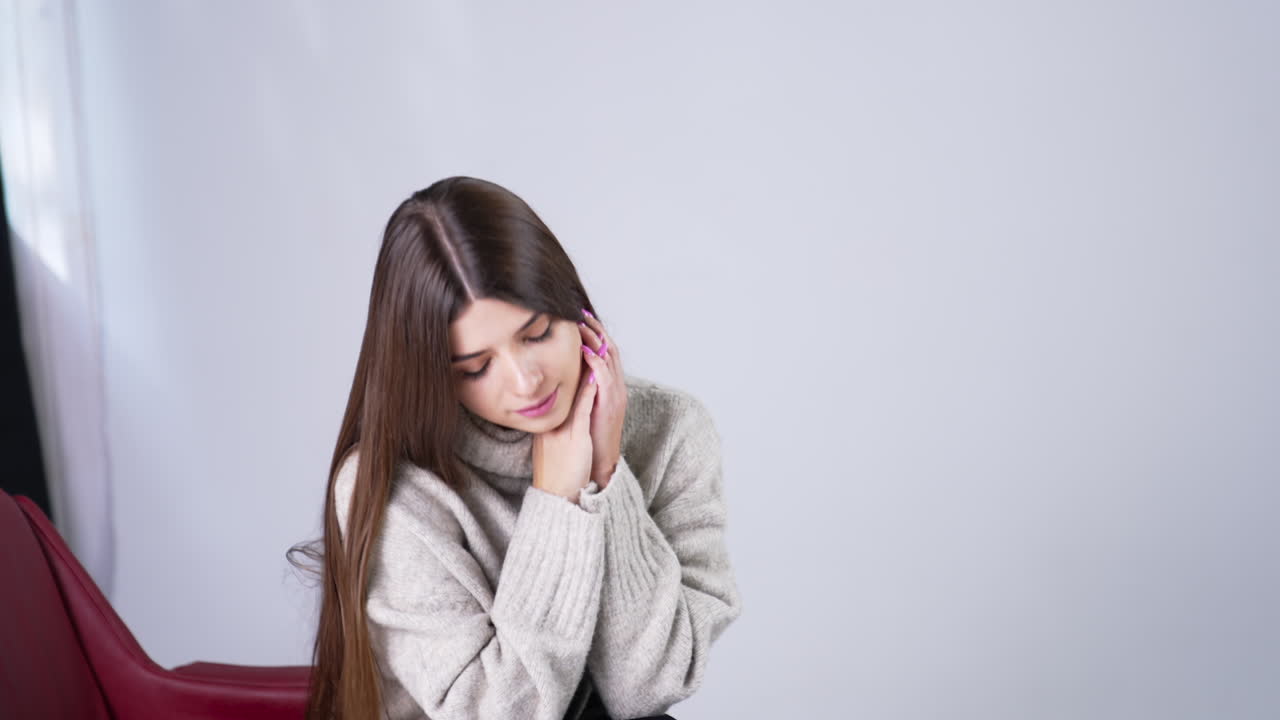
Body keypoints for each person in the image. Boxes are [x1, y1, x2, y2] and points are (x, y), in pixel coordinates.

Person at [291, 176, 742, 720]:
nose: (526, 381)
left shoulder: (672, 430)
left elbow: (646, 690)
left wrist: (605, 476)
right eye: (477, 367)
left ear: (577, 310)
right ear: (436, 375)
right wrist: (557, 503)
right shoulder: (394, 487)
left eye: (537, 334)